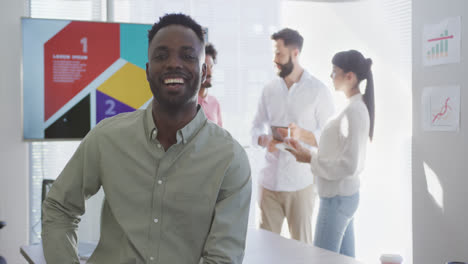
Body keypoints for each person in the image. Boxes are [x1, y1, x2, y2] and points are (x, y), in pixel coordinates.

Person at [42, 13, 252, 264]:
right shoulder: (107, 137)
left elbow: (223, 259)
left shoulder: (230, 159)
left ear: (204, 70)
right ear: (148, 70)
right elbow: (58, 208)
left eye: (187, 55)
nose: (173, 64)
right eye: (161, 56)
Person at [285, 50, 375, 257]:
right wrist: (307, 152)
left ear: (349, 77)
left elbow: (349, 165)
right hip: (343, 196)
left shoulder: (354, 112)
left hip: (337, 198)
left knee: (323, 260)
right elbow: (337, 152)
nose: (331, 76)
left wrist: (310, 158)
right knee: (343, 259)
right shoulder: (354, 108)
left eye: (334, 71)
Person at [251, 28, 334, 244]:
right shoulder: (269, 90)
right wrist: (263, 140)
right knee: (266, 251)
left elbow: (330, 139)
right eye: (274, 53)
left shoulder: (318, 91)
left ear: (295, 53)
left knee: (302, 251)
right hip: (269, 183)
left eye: (279, 53)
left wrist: (302, 134)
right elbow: (256, 127)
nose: (275, 59)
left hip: (301, 184)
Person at [198, 43, 223, 127]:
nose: (210, 73)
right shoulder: (187, 103)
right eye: (205, 67)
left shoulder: (215, 103)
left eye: (211, 67)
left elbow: (220, 137)